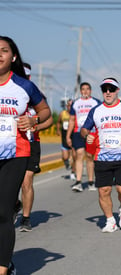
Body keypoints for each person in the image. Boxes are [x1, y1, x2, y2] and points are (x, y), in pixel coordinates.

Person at [0, 36, 51, 275]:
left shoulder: (23, 85)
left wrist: (33, 120)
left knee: (3, 211)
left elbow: (45, 111)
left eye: (3, 50)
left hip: (15, 153)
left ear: (13, 56)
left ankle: (3, 268)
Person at [81, 77, 121, 232]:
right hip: (102, 157)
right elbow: (84, 129)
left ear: (117, 90)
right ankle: (110, 220)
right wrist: (87, 135)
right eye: (105, 89)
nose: (108, 92)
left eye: (111, 89)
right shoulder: (96, 110)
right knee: (104, 191)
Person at [18, 63, 54, 232]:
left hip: (32, 143)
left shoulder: (37, 96)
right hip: (12, 143)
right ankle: (15, 204)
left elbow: (49, 119)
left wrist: (36, 126)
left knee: (27, 181)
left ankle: (25, 218)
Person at [66, 82, 100, 192]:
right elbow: (71, 120)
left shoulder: (96, 102)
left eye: (87, 89)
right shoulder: (76, 103)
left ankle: (91, 181)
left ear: (90, 91)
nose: (85, 91)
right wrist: (68, 136)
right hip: (78, 132)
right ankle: (78, 181)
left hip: (92, 132)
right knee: (79, 154)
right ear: (80, 91)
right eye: (83, 89)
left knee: (90, 156)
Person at [57, 99, 75, 174]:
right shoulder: (62, 113)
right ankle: (67, 163)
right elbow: (58, 122)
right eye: (68, 105)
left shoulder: (75, 114)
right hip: (64, 136)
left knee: (74, 156)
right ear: (66, 106)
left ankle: (74, 171)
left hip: (73, 136)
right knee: (65, 157)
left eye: (71, 106)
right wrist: (58, 130)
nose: (69, 107)